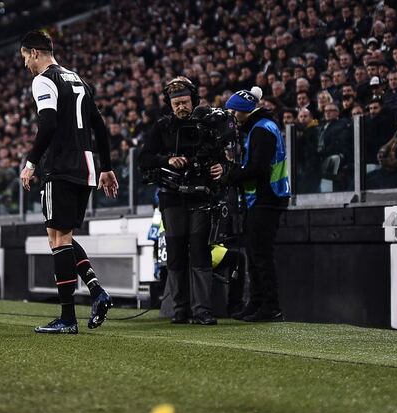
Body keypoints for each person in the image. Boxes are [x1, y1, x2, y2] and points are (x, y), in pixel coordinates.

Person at [18, 30, 118, 334]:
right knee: (58, 235)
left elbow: (47, 123)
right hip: (86, 167)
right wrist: (107, 167)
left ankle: (67, 318)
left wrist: (31, 163)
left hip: (61, 166)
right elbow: (100, 127)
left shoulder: (43, 79)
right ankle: (97, 291)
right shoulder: (79, 80)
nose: (24, 65)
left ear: (35, 53)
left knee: (58, 240)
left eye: (24, 57)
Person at [138, 76, 220, 325]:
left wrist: (220, 167)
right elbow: (144, 159)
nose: (181, 107)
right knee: (175, 253)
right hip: (171, 196)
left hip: (201, 195)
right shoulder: (162, 127)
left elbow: (222, 157)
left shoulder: (208, 125)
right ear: (170, 105)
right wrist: (167, 160)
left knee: (199, 251)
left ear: (194, 101)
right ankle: (181, 309)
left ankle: (202, 310)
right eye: (176, 104)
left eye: (184, 102)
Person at [218, 86, 291, 321]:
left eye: (233, 113)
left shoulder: (262, 131)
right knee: (254, 254)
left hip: (266, 198)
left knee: (261, 256)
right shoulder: (261, 128)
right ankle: (257, 303)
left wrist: (231, 174)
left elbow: (258, 169)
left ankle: (270, 307)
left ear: (243, 111)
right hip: (262, 199)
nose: (231, 119)